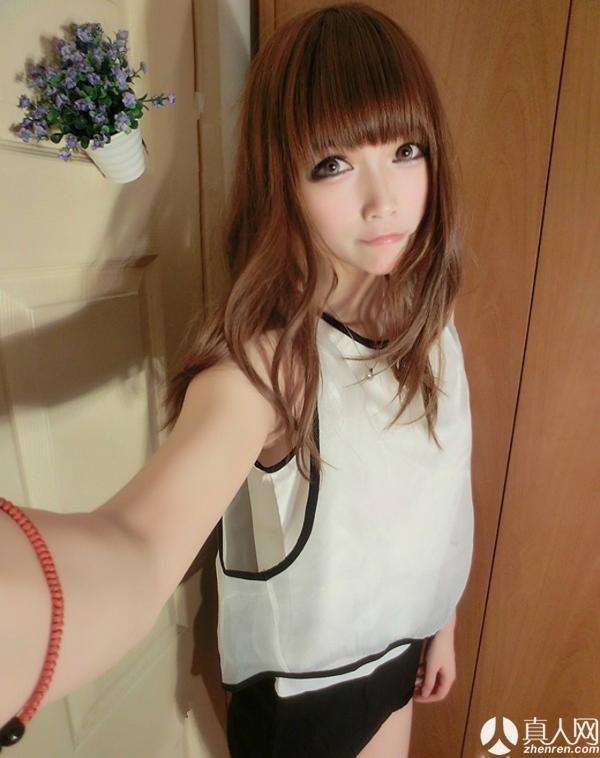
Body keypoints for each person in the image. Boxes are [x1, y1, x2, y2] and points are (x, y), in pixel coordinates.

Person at [0, 3, 474, 756]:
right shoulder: (269, 364)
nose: (384, 200)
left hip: (400, 650)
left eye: (405, 150)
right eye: (333, 164)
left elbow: (439, 489)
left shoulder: (430, 314)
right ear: (282, 180)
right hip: (306, 699)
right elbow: (135, 541)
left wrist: (440, 618)